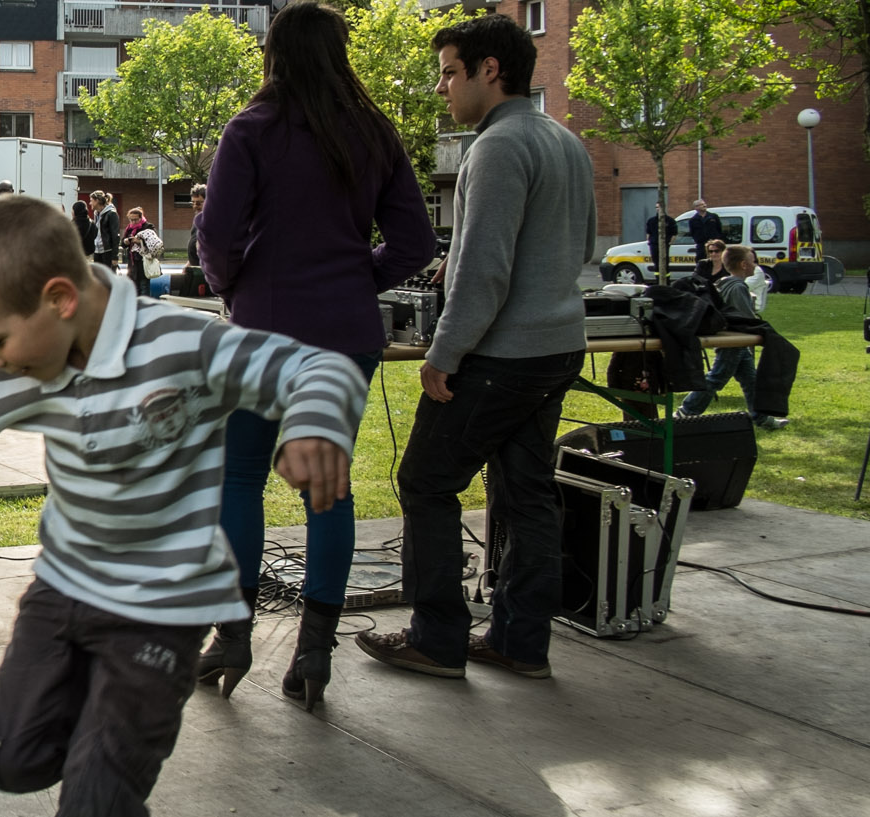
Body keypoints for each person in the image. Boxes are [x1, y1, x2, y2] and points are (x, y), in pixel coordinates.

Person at [0, 194, 365, 817]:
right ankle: (88, 708)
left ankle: (114, 744)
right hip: (63, 590)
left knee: (96, 798)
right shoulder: (20, 367)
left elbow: (313, 369)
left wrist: (316, 426)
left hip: (160, 607)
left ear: (59, 300)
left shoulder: (183, 345)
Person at [195, 0, 438, 710]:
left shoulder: (252, 128)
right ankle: (312, 650)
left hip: (265, 332)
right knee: (326, 489)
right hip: (347, 333)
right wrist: (355, 278)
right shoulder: (373, 131)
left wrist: (235, 284)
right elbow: (417, 245)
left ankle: (233, 635)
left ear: (274, 55)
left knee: (238, 479)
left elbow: (213, 236)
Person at [355, 13, 596, 682]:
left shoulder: (493, 147)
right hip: (558, 347)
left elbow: (487, 272)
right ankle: (521, 642)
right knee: (526, 492)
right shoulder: (564, 142)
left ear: (490, 70)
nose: (442, 88)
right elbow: (576, 247)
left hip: (502, 355)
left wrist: (444, 354)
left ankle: (437, 636)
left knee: (425, 480)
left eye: (449, 72)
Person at [678, 244, 790, 430]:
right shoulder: (738, 287)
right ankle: (685, 413)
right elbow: (744, 318)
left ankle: (761, 418)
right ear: (744, 264)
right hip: (734, 341)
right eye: (753, 261)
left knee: (750, 380)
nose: (756, 265)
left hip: (735, 341)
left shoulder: (727, 282)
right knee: (716, 378)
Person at [120, 207, 158, 297]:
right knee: (134, 287)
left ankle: (145, 306)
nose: (133, 222)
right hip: (132, 263)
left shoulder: (148, 227)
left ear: (141, 218)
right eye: (131, 220)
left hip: (144, 261)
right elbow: (122, 243)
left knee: (144, 286)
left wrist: (139, 241)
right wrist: (125, 242)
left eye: (135, 220)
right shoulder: (129, 229)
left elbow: (154, 242)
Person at [644, 203, 679, 283]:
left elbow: (674, 234)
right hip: (654, 245)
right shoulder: (651, 221)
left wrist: (669, 243)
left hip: (665, 245)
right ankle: (658, 281)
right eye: (656, 207)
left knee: (665, 264)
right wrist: (650, 242)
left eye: (659, 207)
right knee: (656, 264)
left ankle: (666, 282)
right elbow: (648, 233)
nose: (658, 209)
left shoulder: (670, 221)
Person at [686, 198, 722, 264]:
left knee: (715, 262)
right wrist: (699, 239)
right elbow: (693, 233)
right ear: (696, 207)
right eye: (701, 204)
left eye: (704, 204)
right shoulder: (693, 220)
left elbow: (719, 229)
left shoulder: (713, 217)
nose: (704, 205)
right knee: (701, 262)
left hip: (714, 244)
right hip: (701, 246)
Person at [91, 190, 120, 271]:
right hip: (97, 251)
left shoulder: (111, 214)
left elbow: (115, 235)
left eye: (91, 201)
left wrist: (115, 256)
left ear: (97, 201)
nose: (90, 203)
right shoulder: (97, 214)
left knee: (108, 278)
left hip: (107, 251)